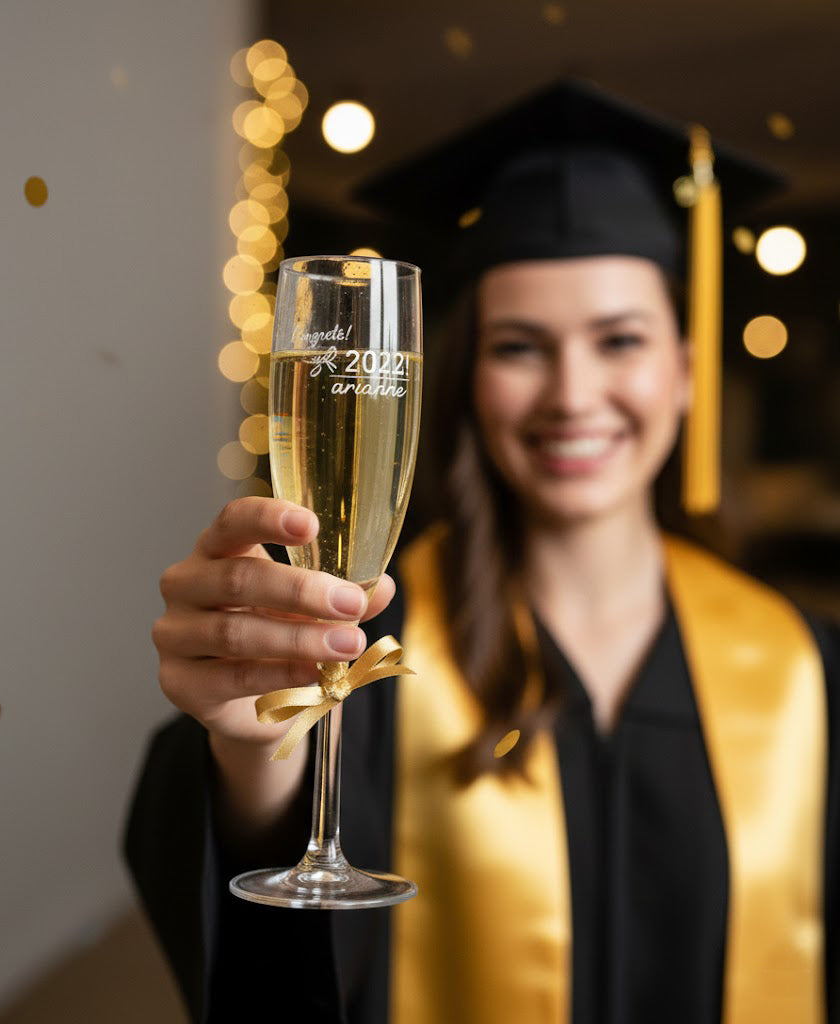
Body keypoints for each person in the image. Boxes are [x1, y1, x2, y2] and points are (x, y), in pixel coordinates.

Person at [125, 80, 840, 1024]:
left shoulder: (805, 665)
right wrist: (258, 762)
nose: (572, 395)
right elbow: (273, 985)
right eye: (519, 347)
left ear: (684, 374)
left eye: (620, 339)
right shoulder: (371, 653)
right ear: (464, 378)